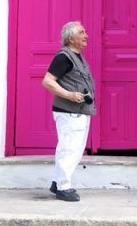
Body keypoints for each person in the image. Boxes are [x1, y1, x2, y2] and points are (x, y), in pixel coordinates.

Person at [41, 21, 96, 202]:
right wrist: (69, 95)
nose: (86, 35)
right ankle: (64, 187)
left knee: (74, 149)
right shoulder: (64, 57)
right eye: (82, 32)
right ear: (71, 38)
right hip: (69, 111)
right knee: (68, 149)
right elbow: (48, 81)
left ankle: (58, 182)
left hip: (79, 112)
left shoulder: (76, 56)